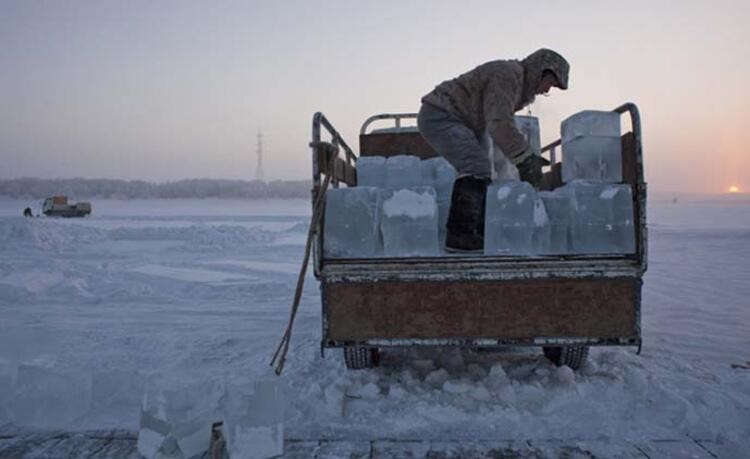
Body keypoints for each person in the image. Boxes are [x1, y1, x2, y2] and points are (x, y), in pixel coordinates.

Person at [417, 48, 569, 252]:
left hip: (466, 122)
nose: (546, 90)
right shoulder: (507, 75)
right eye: (549, 83)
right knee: (476, 165)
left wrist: (522, 156)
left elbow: (499, 122)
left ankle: (478, 232)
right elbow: (498, 123)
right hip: (441, 114)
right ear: (541, 71)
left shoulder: (516, 84)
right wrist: (524, 158)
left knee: (483, 168)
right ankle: (460, 236)